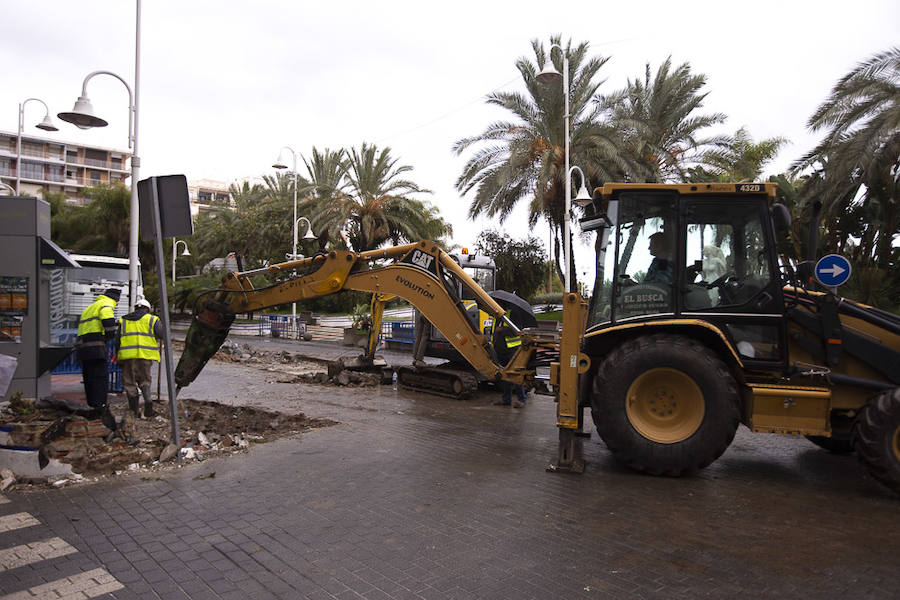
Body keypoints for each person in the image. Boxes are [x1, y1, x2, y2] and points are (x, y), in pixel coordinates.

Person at [117, 297, 162, 418]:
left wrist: (118, 357)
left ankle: (134, 410)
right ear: (147, 309)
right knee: (145, 380)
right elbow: (162, 334)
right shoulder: (152, 319)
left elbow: (118, 340)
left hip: (128, 356)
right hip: (145, 356)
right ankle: (148, 401)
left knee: (129, 383)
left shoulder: (124, 320)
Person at [75, 288, 120, 408]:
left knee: (89, 378)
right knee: (100, 379)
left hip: (83, 350)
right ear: (116, 299)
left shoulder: (90, 308)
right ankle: (100, 406)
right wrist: (109, 336)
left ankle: (91, 405)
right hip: (96, 349)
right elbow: (108, 324)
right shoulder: (106, 304)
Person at [492, 320, 528, 408]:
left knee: (515, 374)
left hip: (512, 350)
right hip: (501, 350)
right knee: (504, 375)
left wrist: (502, 329)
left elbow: (516, 331)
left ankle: (521, 399)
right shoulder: (497, 318)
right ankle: (506, 399)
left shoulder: (512, 316)